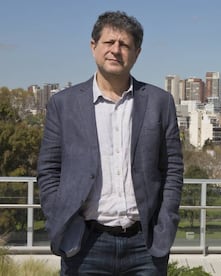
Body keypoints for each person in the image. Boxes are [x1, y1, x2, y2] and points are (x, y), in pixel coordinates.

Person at [37, 10, 184, 275]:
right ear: (94, 47)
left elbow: (172, 168)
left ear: (137, 53)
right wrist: (59, 220)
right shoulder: (64, 104)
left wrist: (166, 226)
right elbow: (48, 169)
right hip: (84, 243)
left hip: (146, 246)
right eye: (109, 42)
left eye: (124, 45)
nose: (116, 50)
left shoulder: (159, 102)